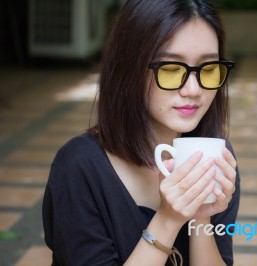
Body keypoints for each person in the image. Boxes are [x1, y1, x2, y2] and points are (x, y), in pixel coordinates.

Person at [42, 0, 240, 265]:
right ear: (128, 69)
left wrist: (201, 216)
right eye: (171, 69)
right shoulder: (78, 168)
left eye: (209, 68)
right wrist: (168, 220)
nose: (193, 89)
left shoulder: (216, 156)